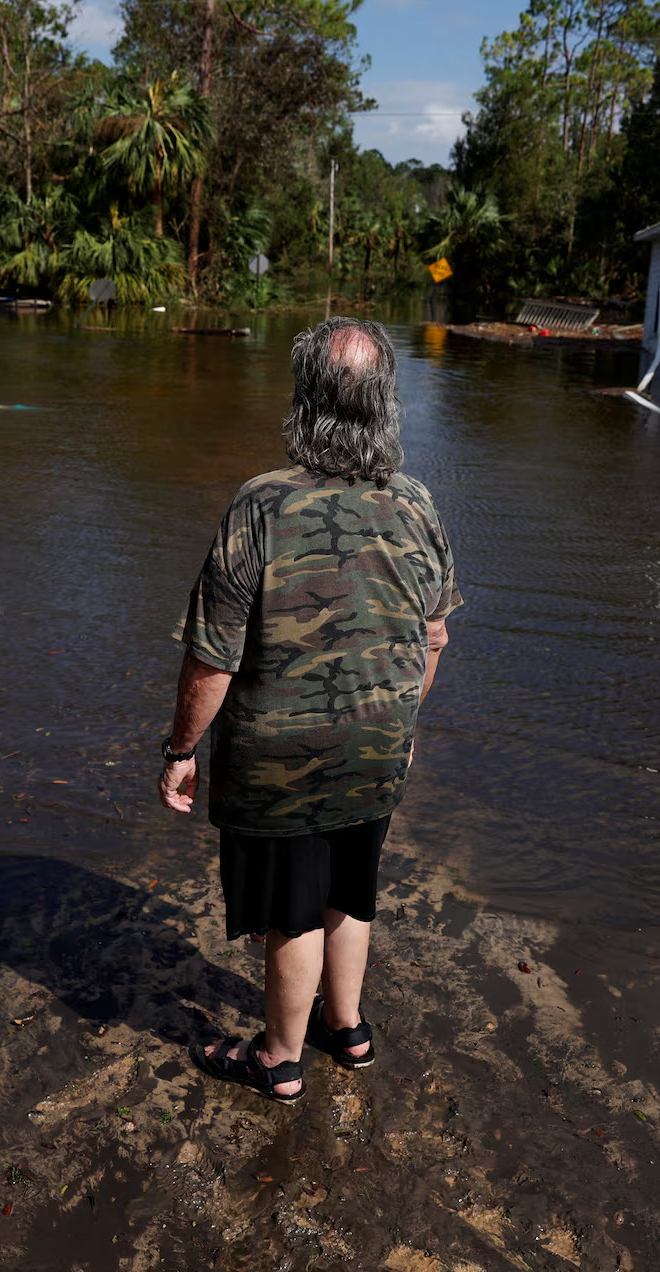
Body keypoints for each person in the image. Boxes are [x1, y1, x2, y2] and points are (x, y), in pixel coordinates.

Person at [160, 316, 461, 1103]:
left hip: (282, 755)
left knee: (293, 907)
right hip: (381, 739)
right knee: (353, 885)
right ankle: (348, 1028)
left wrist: (180, 749)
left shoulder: (262, 503)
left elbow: (213, 657)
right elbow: (434, 636)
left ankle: (279, 1058)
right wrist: (400, 722)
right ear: (386, 402)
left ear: (305, 398)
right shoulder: (417, 503)